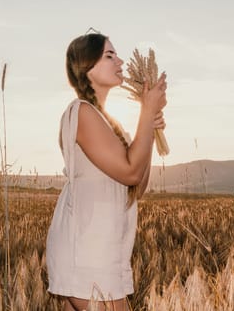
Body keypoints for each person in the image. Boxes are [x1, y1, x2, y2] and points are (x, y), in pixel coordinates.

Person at [46, 32, 167, 311]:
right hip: (85, 251)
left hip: (103, 250)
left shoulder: (112, 126)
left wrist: (148, 128)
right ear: (86, 66)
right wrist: (146, 115)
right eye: (109, 55)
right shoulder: (82, 112)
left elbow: (137, 185)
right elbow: (131, 173)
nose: (121, 60)